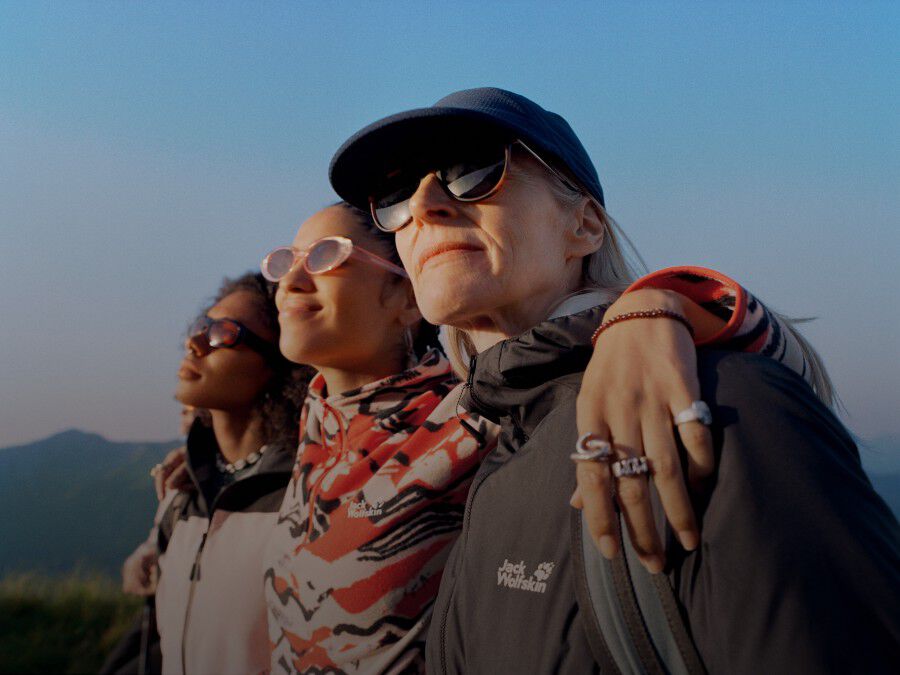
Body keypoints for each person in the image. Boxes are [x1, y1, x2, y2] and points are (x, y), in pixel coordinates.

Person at [327, 87, 900, 674]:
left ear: (584, 225)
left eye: (472, 170)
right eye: (395, 197)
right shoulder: (496, 446)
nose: (424, 205)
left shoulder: (713, 408)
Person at [260, 202, 812, 674]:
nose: (293, 279)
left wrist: (659, 306)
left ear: (406, 298)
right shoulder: (312, 430)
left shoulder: (463, 416)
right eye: (285, 260)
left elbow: (783, 375)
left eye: (326, 256)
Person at [149, 272, 312, 675]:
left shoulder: (303, 497)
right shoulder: (182, 492)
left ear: (277, 365)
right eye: (201, 325)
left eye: (223, 333)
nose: (195, 342)